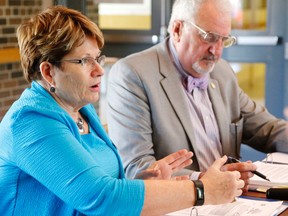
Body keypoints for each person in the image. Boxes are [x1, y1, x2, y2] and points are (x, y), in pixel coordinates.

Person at [0, 5, 246, 216]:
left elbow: (106, 184)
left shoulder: (81, 109)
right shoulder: (29, 122)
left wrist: (143, 183)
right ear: (48, 72)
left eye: (98, 57)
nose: (99, 70)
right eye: (84, 61)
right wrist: (202, 191)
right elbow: (101, 198)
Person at [106, 0, 288, 186]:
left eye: (223, 40)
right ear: (177, 29)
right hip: (179, 205)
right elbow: (137, 168)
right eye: (208, 37)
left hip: (234, 198)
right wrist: (204, 181)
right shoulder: (132, 74)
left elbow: (267, 128)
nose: (216, 50)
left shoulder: (222, 72)